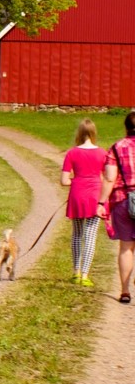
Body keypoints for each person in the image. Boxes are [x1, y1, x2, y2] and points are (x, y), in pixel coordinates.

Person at [63, 119, 110, 286]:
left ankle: (75, 272)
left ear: (79, 133)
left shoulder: (71, 153)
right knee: (90, 236)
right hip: (94, 196)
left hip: (77, 194)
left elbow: (64, 180)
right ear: (93, 133)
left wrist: (75, 181)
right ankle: (84, 275)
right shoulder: (102, 153)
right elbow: (107, 177)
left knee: (76, 234)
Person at [98, 111, 135, 302]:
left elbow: (110, 178)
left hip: (123, 199)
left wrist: (101, 202)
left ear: (126, 127)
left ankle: (125, 291)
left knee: (126, 247)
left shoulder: (116, 148)